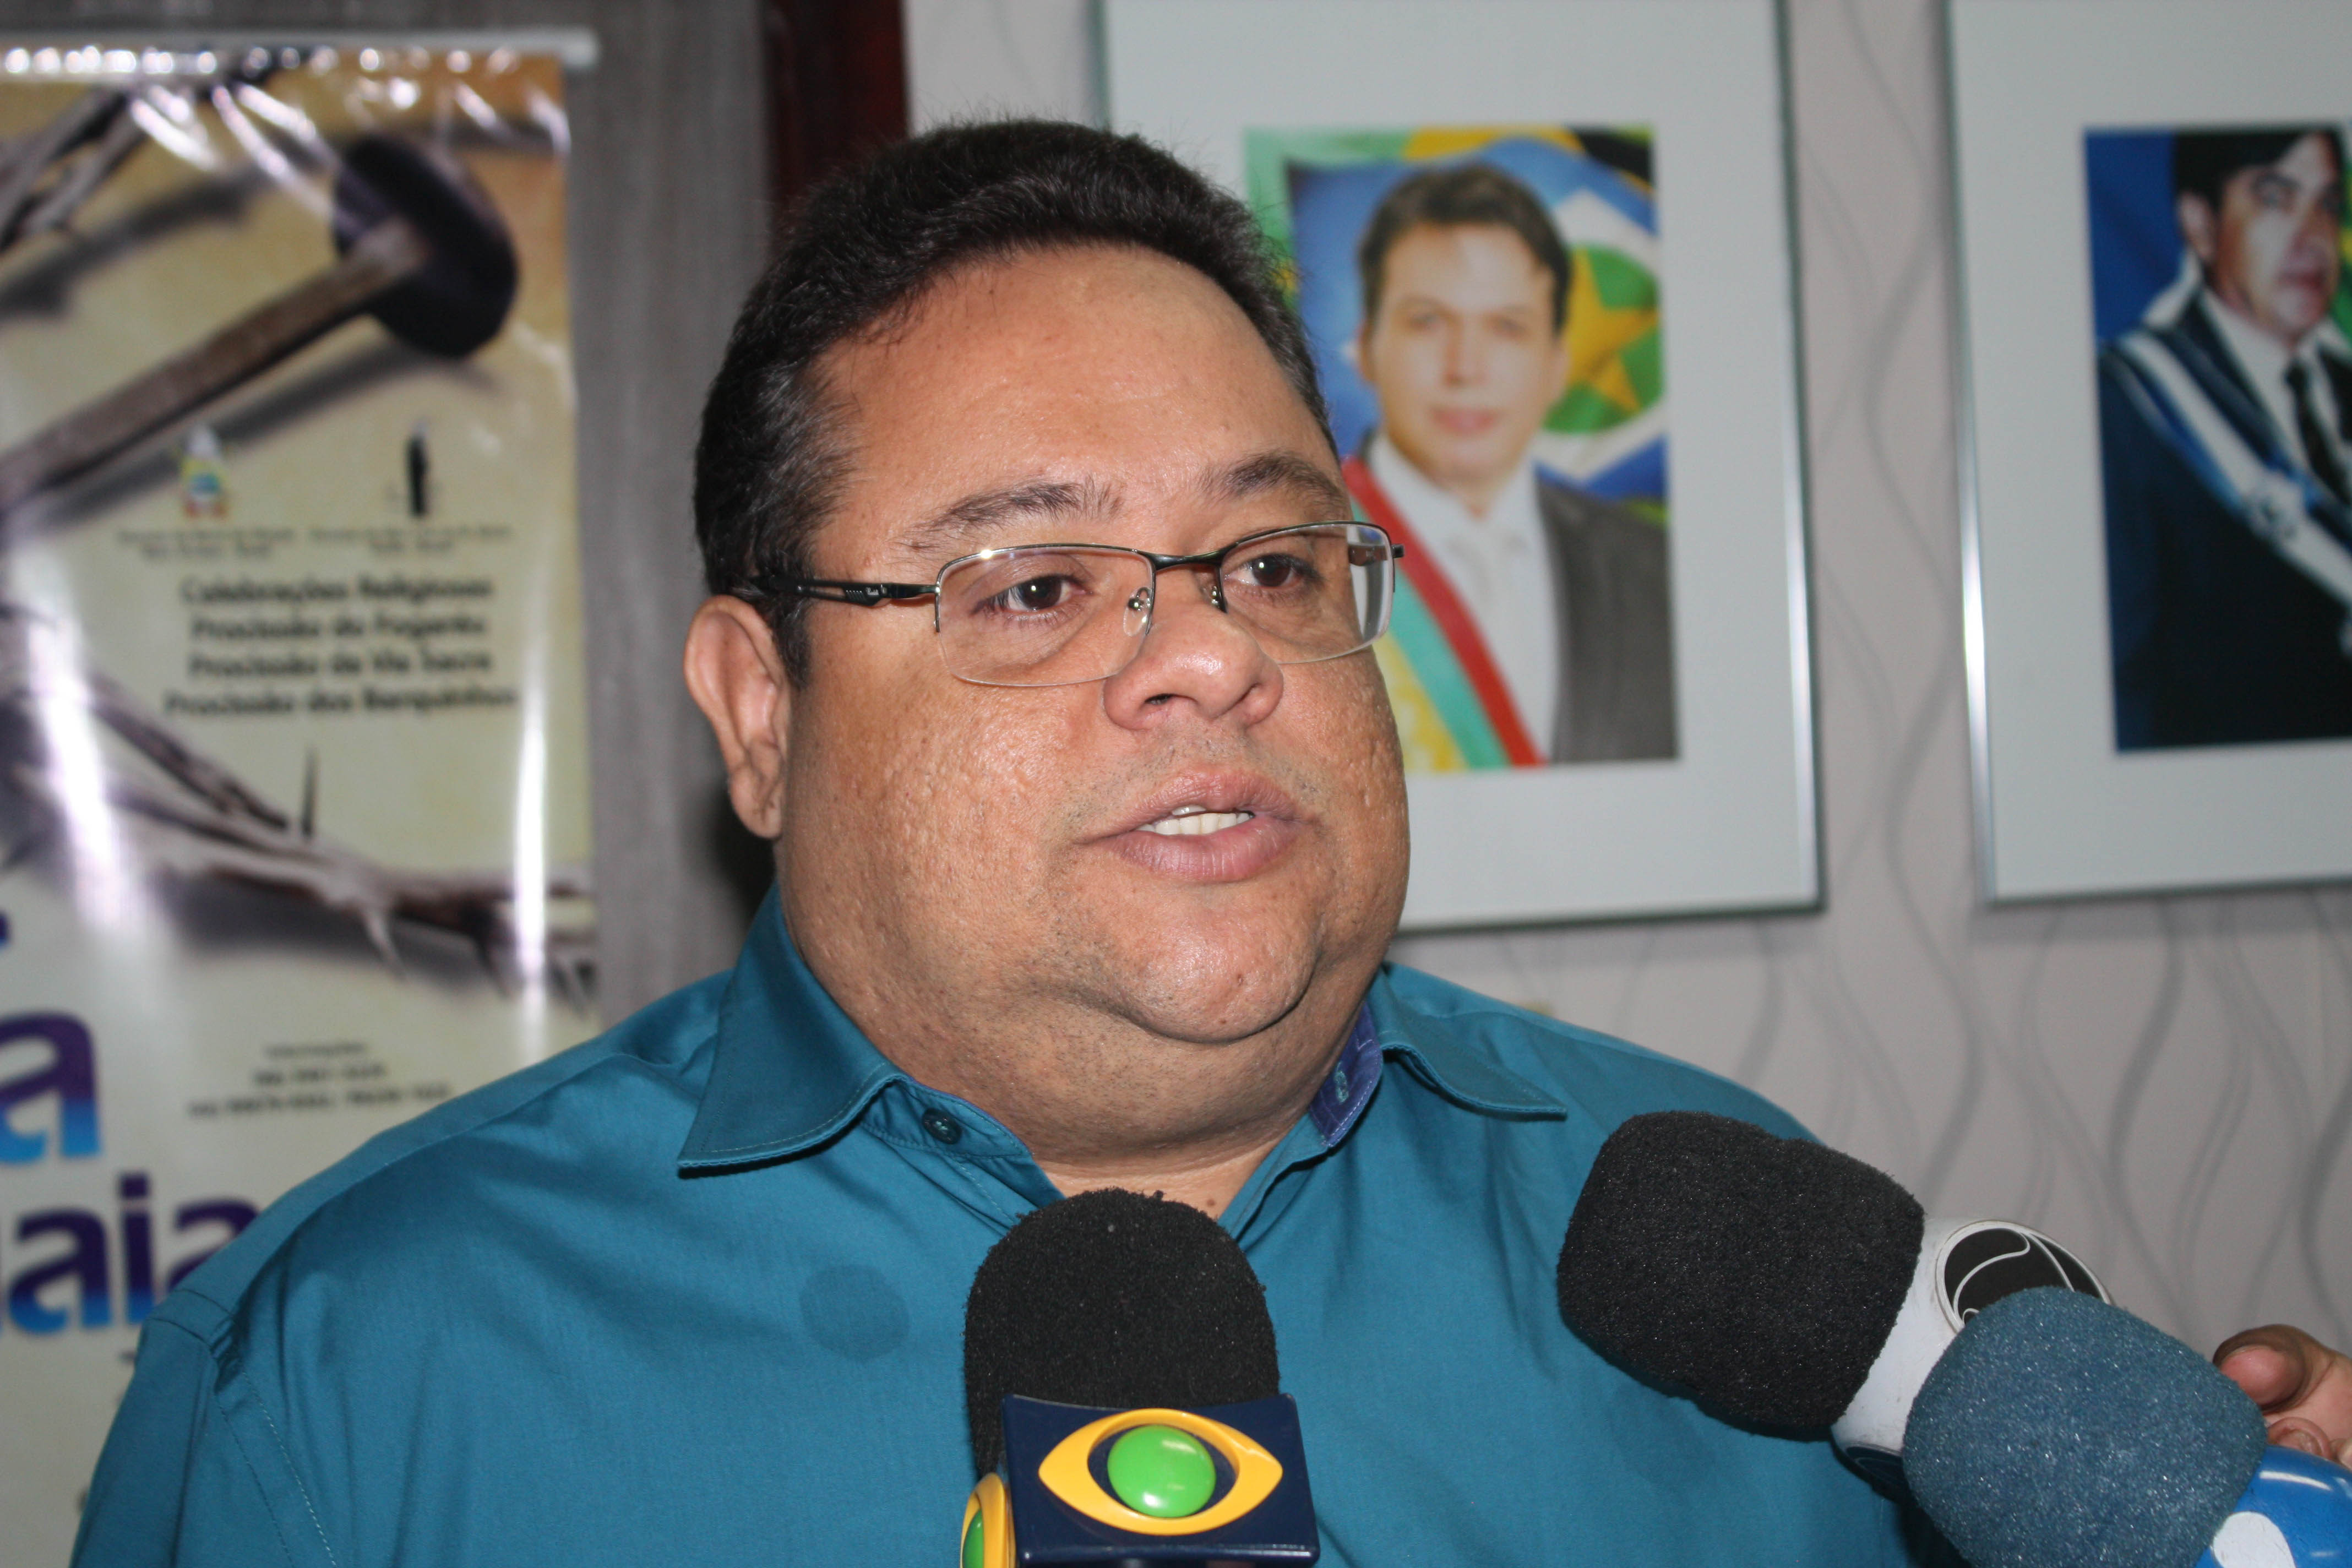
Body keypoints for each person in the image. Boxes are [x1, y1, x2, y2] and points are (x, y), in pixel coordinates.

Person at [73, 121, 2349, 1567]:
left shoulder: (1733, 1242)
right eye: (1034, 586)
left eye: (1271, 563)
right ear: (762, 712)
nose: (1209, 658)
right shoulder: (358, 1368)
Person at [1344, 161, 1676, 766]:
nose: (1467, 368)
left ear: (1557, 364)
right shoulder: (1293, 562)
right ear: (1366, 347)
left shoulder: (1651, 565)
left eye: (1508, 327)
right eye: (1428, 322)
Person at [2100, 125, 2352, 749]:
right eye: (2274, 198)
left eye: (2327, 204)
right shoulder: (2127, 410)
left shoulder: (2344, 383)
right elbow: (2124, 692)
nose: (2312, 238)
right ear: (2202, 225)